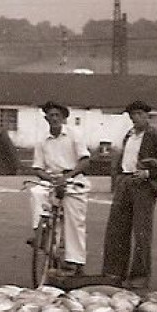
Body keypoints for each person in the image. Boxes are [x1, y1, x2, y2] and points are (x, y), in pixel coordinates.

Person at [101, 100, 157, 290]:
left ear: (147, 116)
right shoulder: (129, 135)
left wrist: (148, 173)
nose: (136, 118)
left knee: (141, 232)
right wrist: (118, 177)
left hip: (143, 185)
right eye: (133, 115)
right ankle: (114, 273)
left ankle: (140, 276)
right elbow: (124, 159)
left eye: (140, 114)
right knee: (116, 229)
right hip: (125, 182)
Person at [28, 101, 92, 275]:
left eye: (57, 115)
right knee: (36, 192)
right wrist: (51, 178)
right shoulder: (42, 140)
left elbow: (85, 160)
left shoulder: (74, 135)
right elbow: (37, 168)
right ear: (46, 118)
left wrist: (67, 177)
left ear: (63, 118)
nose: (54, 118)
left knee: (74, 219)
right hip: (51, 179)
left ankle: (75, 262)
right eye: (51, 115)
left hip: (72, 178)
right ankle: (40, 235)